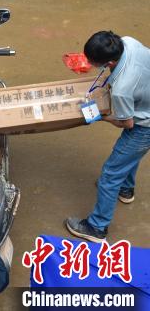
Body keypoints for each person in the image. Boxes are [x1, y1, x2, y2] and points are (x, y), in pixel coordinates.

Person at [66, 31, 150, 242]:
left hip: (144, 125)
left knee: (110, 175)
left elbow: (127, 123)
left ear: (110, 61)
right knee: (130, 156)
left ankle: (97, 227)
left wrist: (99, 116)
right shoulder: (128, 42)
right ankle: (126, 189)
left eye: (95, 63)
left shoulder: (122, 89)